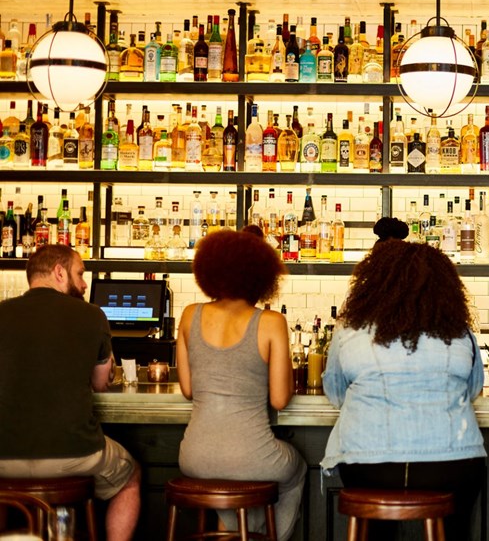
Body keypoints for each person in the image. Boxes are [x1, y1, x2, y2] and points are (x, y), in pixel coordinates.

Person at [321, 239, 486, 540]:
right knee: (454, 530)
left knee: (375, 533)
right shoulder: (459, 333)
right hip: (452, 461)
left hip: (369, 463)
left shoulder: (349, 330)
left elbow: (336, 393)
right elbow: (473, 390)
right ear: (445, 287)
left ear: (374, 284)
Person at [0, 244, 141, 541]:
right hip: (73, 454)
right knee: (130, 476)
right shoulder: (91, 315)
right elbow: (101, 384)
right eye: (80, 274)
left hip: (3, 456)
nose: (85, 283)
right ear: (59, 272)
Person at [176, 230, 305, 540]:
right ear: (261, 275)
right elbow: (279, 400)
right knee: (297, 468)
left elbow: (188, 390)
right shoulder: (271, 321)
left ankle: (233, 532)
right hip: (252, 457)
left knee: (232, 485)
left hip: (194, 458)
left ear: (209, 271)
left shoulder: (189, 315)